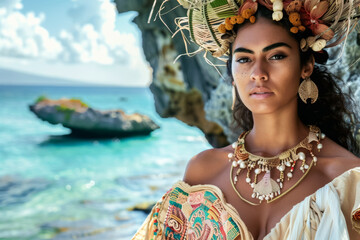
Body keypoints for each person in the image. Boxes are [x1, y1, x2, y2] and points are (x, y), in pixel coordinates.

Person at [133, 0, 360, 239]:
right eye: (244, 59)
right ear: (231, 72)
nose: (258, 72)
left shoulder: (347, 181)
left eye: (276, 56)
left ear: (306, 66)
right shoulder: (201, 173)